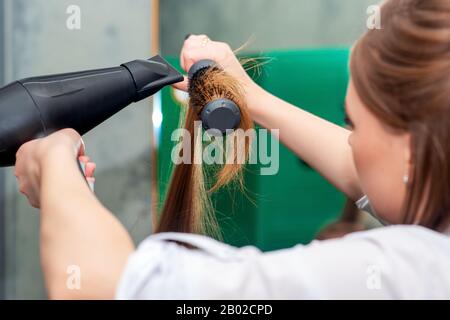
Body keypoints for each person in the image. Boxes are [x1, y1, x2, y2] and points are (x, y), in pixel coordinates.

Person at [14, 0, 450, 299]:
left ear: (411, 151)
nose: (348, 138)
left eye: (352, 122)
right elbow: (378, 174)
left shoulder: (412, 272)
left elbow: (106, 287)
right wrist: (250, 97)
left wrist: (53, 165)